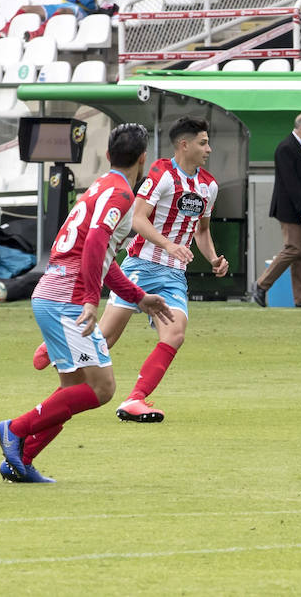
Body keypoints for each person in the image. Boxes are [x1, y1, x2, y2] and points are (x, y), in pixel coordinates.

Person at [0, 123, 174, 483]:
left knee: (72, 391)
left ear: (108, 155)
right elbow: (93, 245)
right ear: (143, 159)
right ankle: (14, 428)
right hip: (68, 301)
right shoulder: (122, 195)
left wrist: (139, 297)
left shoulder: (99, 187)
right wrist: (91, 301)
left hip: (52, 292)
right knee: (102, 388)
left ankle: (22, 461)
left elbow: (100, 258)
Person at [81, 116, 226, 423]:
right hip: (142, 266)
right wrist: (168, 244)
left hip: (174, 276)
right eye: (203, 143)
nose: (208, 149)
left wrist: (213, 258)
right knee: (104, 337)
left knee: (175, 334)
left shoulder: (208, 186)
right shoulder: (162, 172)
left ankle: (135, 399)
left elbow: (201, 231)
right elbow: (138, 218)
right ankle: (59, 349)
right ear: (183, 145)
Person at [251, 112, 301, 308]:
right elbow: (290, 182)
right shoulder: (286, 148)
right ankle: (261, 284)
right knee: (293, 249)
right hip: (292, 209)